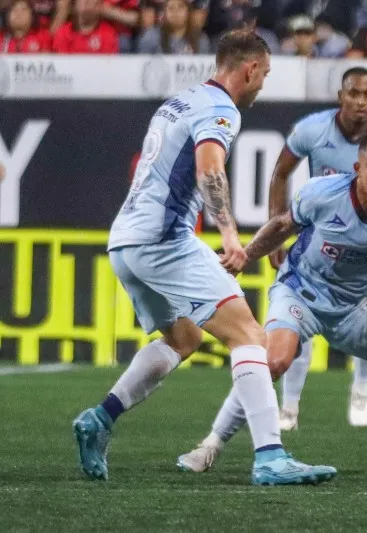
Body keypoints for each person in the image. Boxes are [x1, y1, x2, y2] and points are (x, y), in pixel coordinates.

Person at [71, 30, 336, 487]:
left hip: (126, 242)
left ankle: (100, 418)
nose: (263, 84)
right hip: (164, 241)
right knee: (250, 336)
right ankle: (271, 457)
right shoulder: (221, 109)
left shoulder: (181, 100)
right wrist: (230, 234)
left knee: (183, 339)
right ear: (249, 69)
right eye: (264, 74)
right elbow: (209, 168)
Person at [176, 131, 367, 474]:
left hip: (355, 306)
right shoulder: (323, 192)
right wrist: (245, 256)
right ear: (357, 168)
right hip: (299, 291)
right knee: (272, 362)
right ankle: (210, 445)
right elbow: (282, 226)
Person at [243, 66, 367, 433]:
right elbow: (281, 173)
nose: (360, 101)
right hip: (323, 228)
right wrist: (276, 227)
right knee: (300, 311)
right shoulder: (312, 129)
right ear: (340, 96)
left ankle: (361, 390)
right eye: (353, 94)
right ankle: (290, 406)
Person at [136, 0, 210, 54]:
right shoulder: (151, 37)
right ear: (164, 13)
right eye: (171, 8)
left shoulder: (200, 39)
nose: (176, 12)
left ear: (188, 11)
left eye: (180, 7)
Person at [52, 0, 119, 53]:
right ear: (74, 6)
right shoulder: (63, 32)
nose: (86, 2)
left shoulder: (108, 32)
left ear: (100, 7)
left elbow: (107, 62)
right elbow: (61, 62)